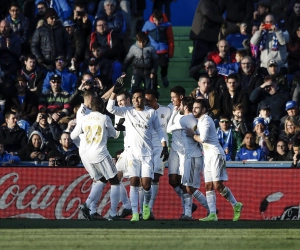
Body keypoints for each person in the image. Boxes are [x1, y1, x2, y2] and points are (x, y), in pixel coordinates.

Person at [107, 79, 169, 222]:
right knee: (134, 182)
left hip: (147, 154)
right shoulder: (127, 112)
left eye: (138, 97)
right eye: (134, 98)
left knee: (146, 184)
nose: (136, 100)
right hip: (132, 155)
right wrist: (115, 90)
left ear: (143, 99)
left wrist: (164, 145)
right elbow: (110, 108)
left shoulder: (151, 113)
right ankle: (135, 213)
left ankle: (146, 206)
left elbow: (159, 130)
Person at [186, 99, 243, 221]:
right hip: (207, 156)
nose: (194, 109)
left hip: (216, 154)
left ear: (204, 110)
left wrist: (192, 135)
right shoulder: (199, 121)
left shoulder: (206, 120)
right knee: (208, 185)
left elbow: (203, 138)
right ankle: (212, 214)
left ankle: (236, 205)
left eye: (197, 107)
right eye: (194, 107)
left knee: (218, 185)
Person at [71, 96, 120, 221]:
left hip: (87, 154)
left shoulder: (84, 119)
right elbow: (114, 135)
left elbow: (72, 135)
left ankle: (86, 205)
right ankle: (113, 214)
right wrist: (118, 128)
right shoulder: (105, 117)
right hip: (100, 152)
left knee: (102, 179)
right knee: (115, 181)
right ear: (102, 107)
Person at [167, 97, 209, 220]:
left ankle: (209, 209)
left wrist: (174, 113)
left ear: (185, 106)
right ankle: (189, 213)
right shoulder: (199, 120)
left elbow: (168, 129)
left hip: (190, 156)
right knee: (188, 186)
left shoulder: (185, 119)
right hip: (195, 155)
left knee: (189, 187)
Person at [144, 89, 171, 219]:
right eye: (145, 100)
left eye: (149, 100)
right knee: (145, 179)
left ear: (156, 100)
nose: (146, 103)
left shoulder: (166, 111)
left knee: (155, 177)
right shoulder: (142, 112)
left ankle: (149, 209)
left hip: (160, 147)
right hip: (146, 148)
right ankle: (143, 207)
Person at [142, 9, 174, 87]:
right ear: (153, 18)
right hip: (152, 51)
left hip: (163, 50)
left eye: (159, 20)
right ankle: (154, 86)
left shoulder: (167, 25)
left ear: (162, 19)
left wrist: (170, 52)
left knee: (164, 65)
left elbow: (170, 39)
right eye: (155, 20)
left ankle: (164, 76)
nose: (157, 23)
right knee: (153, 70)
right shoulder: (147, 24)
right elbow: (142, 38)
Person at [189, 0, 223, 70]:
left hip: (212, 37)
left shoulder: (217, 3)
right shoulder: (205, 1)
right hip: (201, 36)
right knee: (198, 60)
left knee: (213, 60)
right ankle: (195, 75)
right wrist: (222, 20)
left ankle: (207, 77)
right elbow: (207, 14)